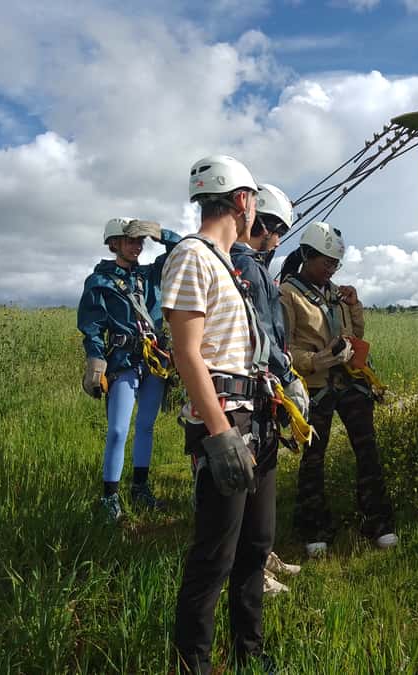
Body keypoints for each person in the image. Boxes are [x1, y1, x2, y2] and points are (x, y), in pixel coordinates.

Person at [162, 155, 276, 673]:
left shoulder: (230, 265)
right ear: (242, 200)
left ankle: (250, 654)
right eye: (254, 201)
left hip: (259, 416)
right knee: (215, 557)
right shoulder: (192, 256)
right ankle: (195, 666)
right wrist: (220, 433)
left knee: (255, 546)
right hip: (225, 422)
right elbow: (187, 353)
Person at [279, 221, 396, 558]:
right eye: (325, 262)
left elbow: (354, 331)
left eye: (334, 264)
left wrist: (354, 305)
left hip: (349, 382)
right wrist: (320, 358)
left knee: (368, 450)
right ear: (306, 255)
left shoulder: (336, 293)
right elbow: (285, 349)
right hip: (315, 386)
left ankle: (378, 521)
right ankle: (314, 527)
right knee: (314, 457)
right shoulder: (288, 294)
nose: (330, 269)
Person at [231, 183, 307, 594]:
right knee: (253, 477)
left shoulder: (248, 265)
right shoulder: (247, 266)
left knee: (262, 472)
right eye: (277, 231)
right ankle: (252, 563)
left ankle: (262, 552)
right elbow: (261, 332)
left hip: (260, 379)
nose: (278, 242)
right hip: (256, 381)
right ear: (267, 226)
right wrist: (287, 375)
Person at [78, 217, 180, 521]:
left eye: (140, 241)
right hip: (123, 361)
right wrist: (95, 361)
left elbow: (182, 250)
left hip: (154, 361)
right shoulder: (100, 282)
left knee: (146, 426)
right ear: (114, 244)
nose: (137, 246)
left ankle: (140, 489)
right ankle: (109, 497)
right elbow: (92, 327)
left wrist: (160, 234)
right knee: (118, 430)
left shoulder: (150, 275)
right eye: (130, 240)